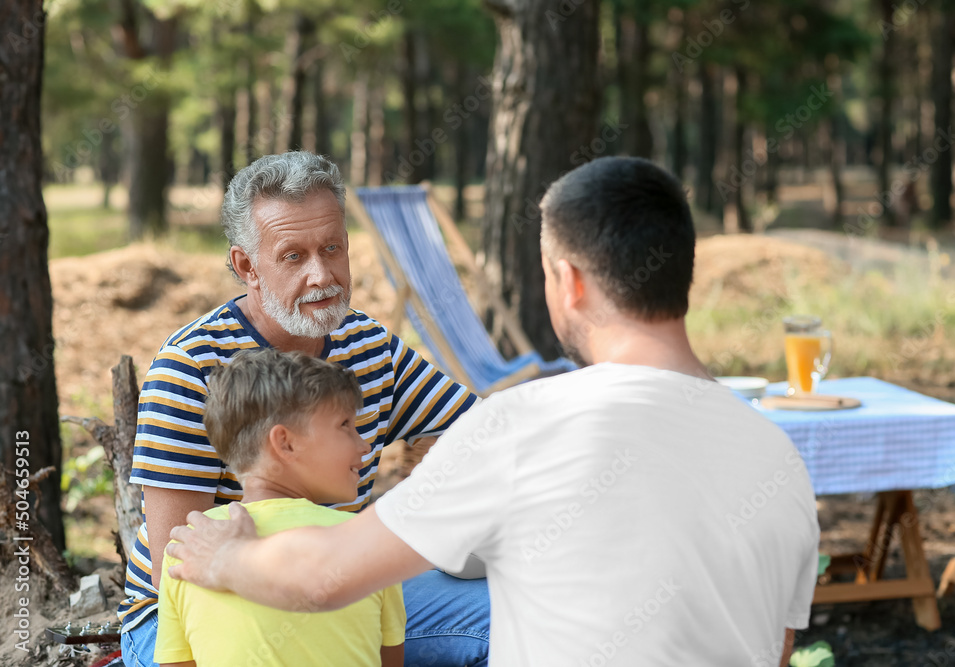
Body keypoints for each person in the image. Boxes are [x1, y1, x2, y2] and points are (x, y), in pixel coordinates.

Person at [165, 156, 821, 666]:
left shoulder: (522, 425)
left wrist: (222, 559)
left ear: (570, 281)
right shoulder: (780, 456)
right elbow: (778, 645)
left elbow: (321, 575)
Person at [117, 151, 488, 667]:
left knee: (512, 609)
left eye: (332, 248)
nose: (322, 275)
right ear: (246, 265)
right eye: (293, 256)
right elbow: (175, 566)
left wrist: (423, 513)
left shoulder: (366, 343)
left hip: (338, 578)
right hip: (197, 608)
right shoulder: (192, 367)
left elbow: (481, 432)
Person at [155, 348, 405, 666]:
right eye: (345, 425)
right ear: (285, 443)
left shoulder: (190, 544)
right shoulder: (369, 540)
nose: (364, 444)